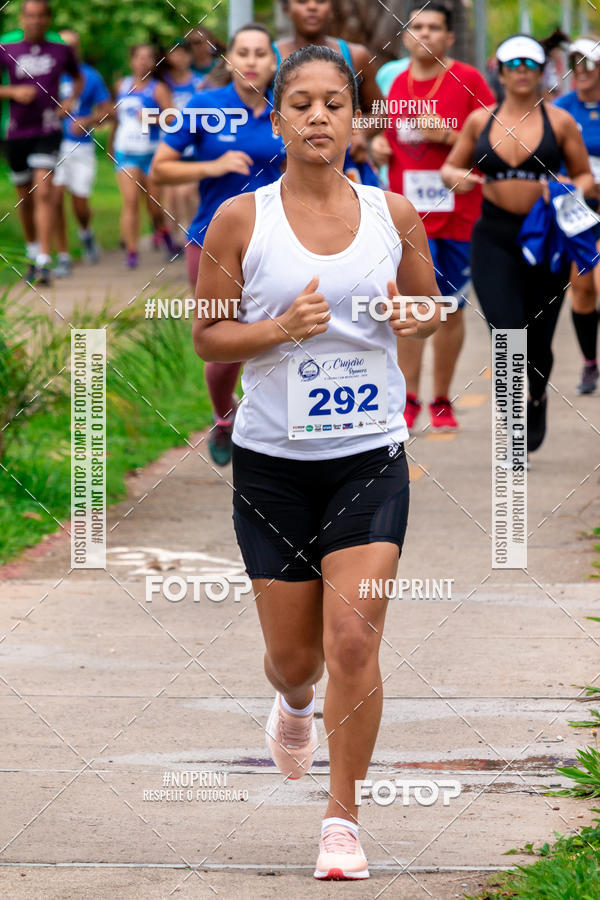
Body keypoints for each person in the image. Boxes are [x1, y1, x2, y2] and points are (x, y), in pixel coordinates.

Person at [192, 43, 442, 880]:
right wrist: (278, 331)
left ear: (357, 116)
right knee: (296, 660)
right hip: (270, 464)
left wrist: (414, 316)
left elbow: (429, 304)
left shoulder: (393, 213)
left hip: (369, 457)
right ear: (277, 118)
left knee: (353, 642)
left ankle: (343, 819)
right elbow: (209, 333)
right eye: (300, 104)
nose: (318, 118)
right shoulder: (239, 218)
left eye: (334, 103)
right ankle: (293, 704)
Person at [441, 34, 593, 455]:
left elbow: (584, 176)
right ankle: (512, 427)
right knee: (506, 333)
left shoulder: (560, 122)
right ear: (501, 71)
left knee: (539, 341)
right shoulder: (480, 120)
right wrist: (458, 178)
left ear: (543, 71)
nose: (523, 70)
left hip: (545, 241)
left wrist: (565, 187)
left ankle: (538, 398)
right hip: (493, 239)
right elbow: (450, 166)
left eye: (531, 63)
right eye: (514, 64)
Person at [151, 24, 286, 466]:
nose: (250, 61)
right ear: (229, 62)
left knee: (280, 337)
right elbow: (161, 169)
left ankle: (276, 429)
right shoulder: (207, 106)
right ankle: (224, 416)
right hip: (213, 239)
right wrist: (213, 166)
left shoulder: (286, 107)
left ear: (273, 62)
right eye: (242, 53)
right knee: (226, 337)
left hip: (281, 241)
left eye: (260, 53)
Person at [371, 2, 495, 433]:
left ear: (449, 37)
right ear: (405, 36)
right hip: (408, 216)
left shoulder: (469, 79)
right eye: (416, 26)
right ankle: (408, 400)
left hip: (458, 214)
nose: (424, 33)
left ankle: (442, 399)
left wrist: (446, 136)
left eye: (434, 27)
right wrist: (377, 148)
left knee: (450, 309)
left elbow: (499, 139)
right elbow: (386, 139)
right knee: (411, 306)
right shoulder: (397, 84)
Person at [0, 0, 82, 285]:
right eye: (30, 16)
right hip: (15, 132)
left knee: (44, 191)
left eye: (40, 16)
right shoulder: (6, 48)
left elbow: (78, 78)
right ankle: (32, 250)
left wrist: (69, 102)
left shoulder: (61, 50)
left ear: (48, 19)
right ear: (22, 19)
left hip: (48, 130)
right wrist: (11, 91)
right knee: (25, 196)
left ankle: (45, 260)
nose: (35, 21)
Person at [275, 0, 383, 185]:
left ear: (332, 9)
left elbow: (381, 109)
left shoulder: (356, 56)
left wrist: (360, 133)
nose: (312, 7)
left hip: (345, 168)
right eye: (302, 105)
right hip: (280, 169)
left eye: (321, 1)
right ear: (286, 9)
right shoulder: (267, 56)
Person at [555, 37, 600, 393]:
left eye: (588, 63)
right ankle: (589, 363)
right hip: (580, 211)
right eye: (575, 63)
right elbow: (550, 161)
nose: (581, 71)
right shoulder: (562, 109)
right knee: (582, 290)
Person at [51, 29, 112, 276]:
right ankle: (63, 256)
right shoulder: (50, 75)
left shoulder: (91, 76)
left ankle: (86, 233)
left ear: (79, 49)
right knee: (53, 200)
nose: (68, 50)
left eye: (73, 46)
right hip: (52, 145)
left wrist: (87, 119)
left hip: (82, 147)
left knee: (80, 204)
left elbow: (108, 110)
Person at [110, 44, 174, 268]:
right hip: (126, 152)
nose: (143, 62)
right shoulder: (121, 85)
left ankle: (163, 232)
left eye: (148, 58)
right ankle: (132, 252)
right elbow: (116, 117)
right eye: (138, 57)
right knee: (130, 202)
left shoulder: (158, 89)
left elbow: (172, 118)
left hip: (151, 153)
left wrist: (151, 117)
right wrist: (110, 144)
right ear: (131, 61)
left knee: (154, 206)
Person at [162, 39, 206, 255]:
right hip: (170, 147)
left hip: (194, 148)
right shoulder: (163, 83)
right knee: (170, 197)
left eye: (183, 54)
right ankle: (173, 238)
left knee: (188, 193)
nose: (178, 58)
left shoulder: (200, 83)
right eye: (174, 54)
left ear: (190, 57)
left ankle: (191, 234)